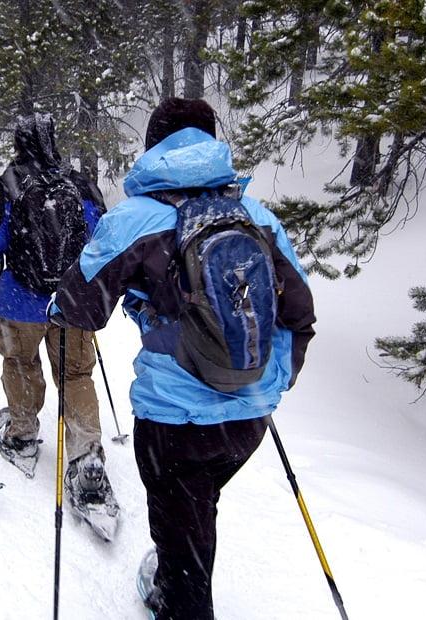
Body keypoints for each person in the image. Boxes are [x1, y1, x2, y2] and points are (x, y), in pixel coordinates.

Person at [51, 98, 316, 619]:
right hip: (248, 420)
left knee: (183, 522)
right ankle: (179, 565)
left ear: (154, 144)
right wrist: (270, 381)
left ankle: (179, 591)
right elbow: (300, 311)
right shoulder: (256, 215)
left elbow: (79, 307)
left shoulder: (136, 219)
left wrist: (62, 304)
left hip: (174, 420)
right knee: (196, 510)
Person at [0, 114, 115, 510]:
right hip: (71, 304)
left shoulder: (8, 186)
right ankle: (86, 456)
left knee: (20, 363)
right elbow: (104, 241)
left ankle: (23, 432)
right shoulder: (79, 185)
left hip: (21, 304)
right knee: (76, 373)